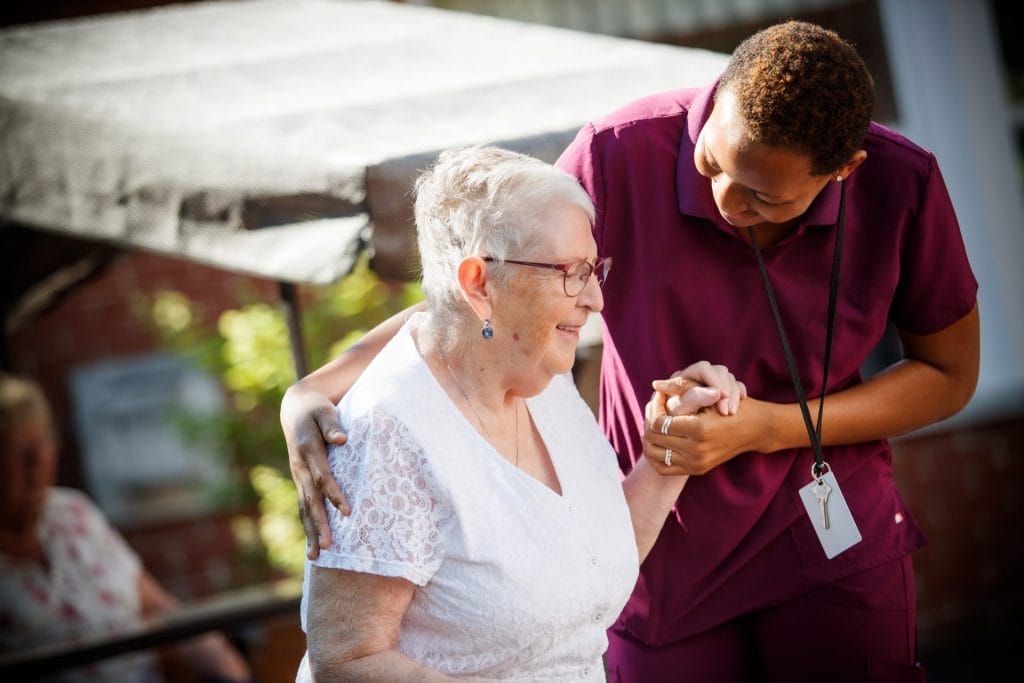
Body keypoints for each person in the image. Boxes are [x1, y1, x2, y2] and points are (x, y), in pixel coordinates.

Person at [281, 20, 979, 682]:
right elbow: (499, 282)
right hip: (654, 547)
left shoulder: (903, 182)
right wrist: (316, 386)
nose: (726, 200)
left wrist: (766, 426)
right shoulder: (618, 152)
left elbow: (949, 374)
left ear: (844, 171)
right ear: (718, 96)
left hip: (826, 530)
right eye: (712, 161)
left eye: (765, 198)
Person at [288, 145, 744, 680]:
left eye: (595, 269)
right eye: (571, 272)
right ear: (479, 283)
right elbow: (344, 661)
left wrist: (669, 457)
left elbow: (581, 572)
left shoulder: (537, 373)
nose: (596, 298)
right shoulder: (388, 433)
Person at [0, 373, 253, 683]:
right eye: (17, 449)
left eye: (43, 442)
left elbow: (161, 609)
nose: (37, 461)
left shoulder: (74, 514)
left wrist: (221, 662)